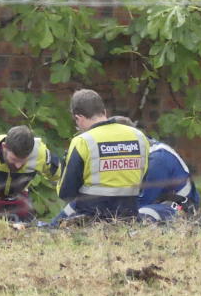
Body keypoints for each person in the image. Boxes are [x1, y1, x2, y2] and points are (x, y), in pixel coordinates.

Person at [52, 90, 149, 224]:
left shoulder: (83, 141)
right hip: (129, 217)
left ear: (79, 117)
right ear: (104, 112)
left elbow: (66, 192)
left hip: (92, 219)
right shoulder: (138, 136)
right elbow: (143, 179)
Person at [111, 116, 200, 221]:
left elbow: (143, 200)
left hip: (180, 207)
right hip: (158, 203)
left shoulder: (157, 159)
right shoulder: (142, 151)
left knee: (138, 215)